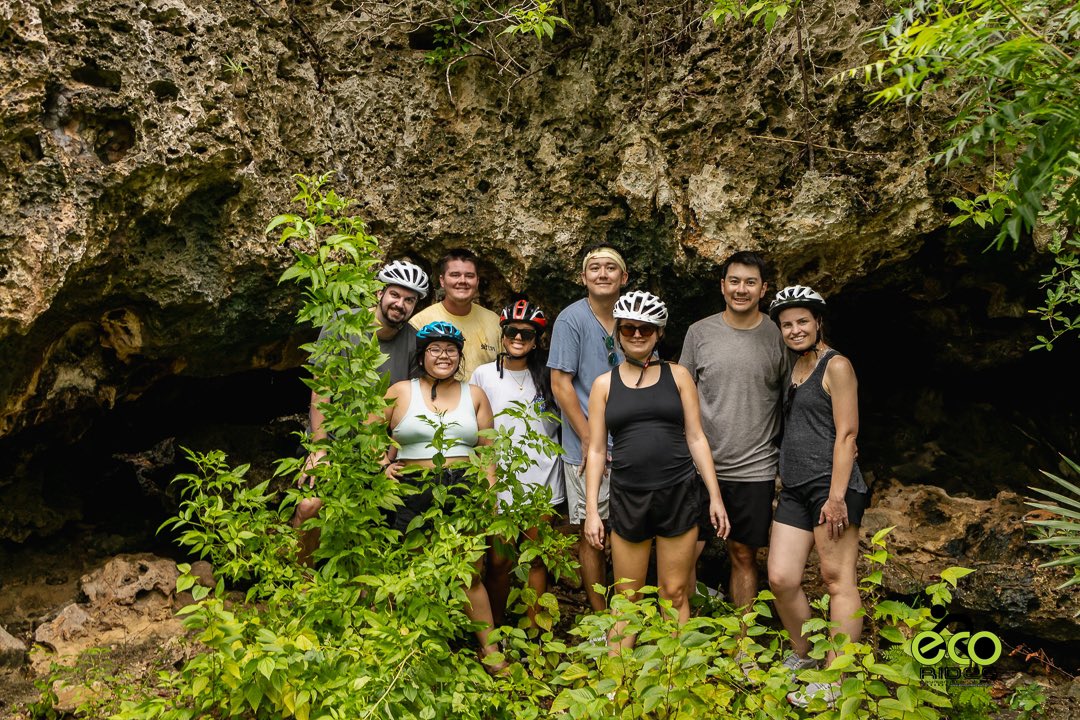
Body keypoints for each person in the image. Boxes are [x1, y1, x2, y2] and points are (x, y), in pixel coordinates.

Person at [583, 291, 729, 650]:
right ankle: (618, 688)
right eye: (629, 328)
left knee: (674, 592)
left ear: (659, 333)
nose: (636, 334)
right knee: (626, 600)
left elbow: (696, 437)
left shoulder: (678, 376)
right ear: (618, 332)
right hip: (628, 496)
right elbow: (597, 449)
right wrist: (591, 510)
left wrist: (715, 496)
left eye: (645, 329)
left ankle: (674, 683)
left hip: (678, 493)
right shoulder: (604, 384)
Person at [379, 320, 506, 672]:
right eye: (435, 349)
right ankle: (414, 648)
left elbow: (488, 452)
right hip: (413, 487)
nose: (443, 356)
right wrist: (381, 466)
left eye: (450, 350)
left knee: (470, 573)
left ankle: (491, 653)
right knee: (412, 569)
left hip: (463, 486)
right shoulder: (400, 391)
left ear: (459, 355)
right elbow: (370, 433)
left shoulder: (474, 395)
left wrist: (490, 495)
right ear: (423, 355)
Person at [765, 286, 870, 708]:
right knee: (781, 577)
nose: (795, 329)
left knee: (836, 579)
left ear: (818, 322)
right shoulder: (794, 368)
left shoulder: (836, 365)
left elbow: (847, 434)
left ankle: (835, 676)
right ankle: (805, 654)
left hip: (834, 491)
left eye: (802, 321)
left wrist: (837, 496)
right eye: (787, 324)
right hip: (794, 489)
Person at [293, 260, 430, 563]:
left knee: (373, 519)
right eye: (395, 295)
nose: (401, 304)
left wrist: (389, 458)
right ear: (380, 293)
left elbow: (407, 404)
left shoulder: (413, 341)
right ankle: (295, 580)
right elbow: (322, 390)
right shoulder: (343, 323)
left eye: (410, 300)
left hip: (377, 447)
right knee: (309, 507)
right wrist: (319, 447)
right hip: (335, 438)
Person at [678, 251, 790, 608]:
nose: (742, 289)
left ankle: (740, 646)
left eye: (751, 282)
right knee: (682, 557)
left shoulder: (778, 336)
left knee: (743, 556)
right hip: (699, 465)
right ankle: (685, 640)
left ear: (764, 289)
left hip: (754, 469)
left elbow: (793, 398)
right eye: (735, 281)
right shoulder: (699, 333)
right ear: (722, 286)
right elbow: (681, 394)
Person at [470, 299, 563, 627]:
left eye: (527, 333)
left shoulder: (550, 375)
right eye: (512, 331)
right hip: (502, 481)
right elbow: (477, 428)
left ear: (537, 339)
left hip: (543, 480)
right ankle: (495, 630)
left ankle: (538, 635)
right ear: (503, 333)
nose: (519, 338)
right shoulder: (483, 374)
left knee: (537, 560)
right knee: (498, 562)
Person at [548, 244, 629, 612]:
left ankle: (629, 612)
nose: (602, 274)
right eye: (594, 268)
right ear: (583, 278)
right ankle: (600, 616)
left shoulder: (633, 316)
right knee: (590, 530)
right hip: (584, 444)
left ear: (623, 278)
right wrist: (587, 438)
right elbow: (561, 385)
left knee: (629, 529)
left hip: (629, 441)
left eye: (610, 268)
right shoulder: (571, 319)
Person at [410, 248, 501, 374]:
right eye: (455, 275)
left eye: (469, 276)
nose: (462, 281)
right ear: (442, 281)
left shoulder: (495, 322)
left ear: (477, 281)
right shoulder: (420, 322)